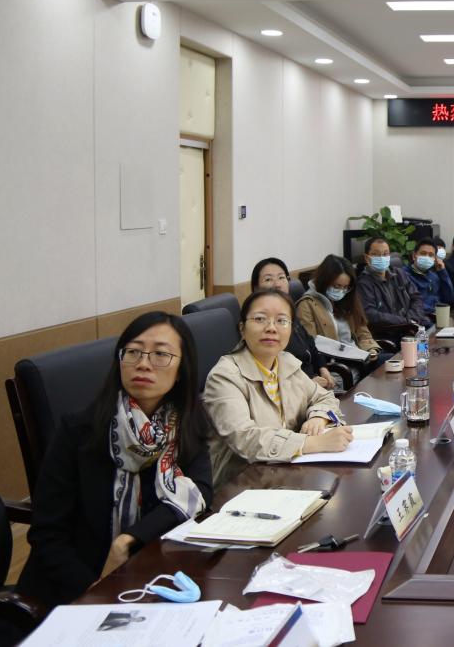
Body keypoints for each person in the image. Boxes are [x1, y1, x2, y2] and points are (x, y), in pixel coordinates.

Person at [18, 312, 212, 605]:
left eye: (161, 354)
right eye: (133, 352)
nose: (143, 363)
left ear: (181, 370)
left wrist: (129, 539)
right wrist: (96, 589)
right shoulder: (79, 432)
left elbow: (199, 490)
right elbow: (47, 535)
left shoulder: (185, 425)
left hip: (148, 574)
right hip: (74, 589)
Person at [203, 290, 351, 486]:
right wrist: (311, 443)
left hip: (288, 473)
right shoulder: (224, 376)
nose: (271, 328)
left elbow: (324, 397)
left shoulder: (286, 362)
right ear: (242, 328)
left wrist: (319, 417)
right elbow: (245, 439)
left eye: (281, 320)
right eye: (260, 319)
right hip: (241, 484)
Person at [251, 257, 336, 390]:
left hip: (314, 385)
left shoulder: (288, 312)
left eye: (281, 277)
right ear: (256, 288)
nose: (277, 284)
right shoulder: (259, 325)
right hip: (295, 392)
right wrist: (308, 384)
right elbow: (273, 375)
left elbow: (311, 344)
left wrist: (323, 368)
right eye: (268, 279)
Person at [294, 254, 382, 376]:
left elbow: (362, 331)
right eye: (337, 286)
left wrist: (371, 349)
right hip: (338, 366)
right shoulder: (307, 305)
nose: (341, 291)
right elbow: (313, 346)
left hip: (359, 359)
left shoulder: (347, 298)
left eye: (345, 287)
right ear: (324, 281)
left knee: (393, 365)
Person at [355, 237, 432, 337]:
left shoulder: (399, 274)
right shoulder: (364, 284)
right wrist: (404, 321)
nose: (381, 257)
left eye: (385, 254)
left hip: (411, 328)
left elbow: (416, 297)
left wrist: (411, 319)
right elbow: (371, 315)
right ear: (366, 258)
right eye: (376, 254)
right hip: (390, 334)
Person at [404, 239, 454, 311]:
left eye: (431, 255)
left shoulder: (433, 277)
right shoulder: (404, 276)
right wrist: (435, 309)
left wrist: (442, 272)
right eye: (423, 253)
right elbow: (412, 304)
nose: (427, 257)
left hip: (436, 314)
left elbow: (448, 299)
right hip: (419, 315)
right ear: (414, 255)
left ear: (435, 259)